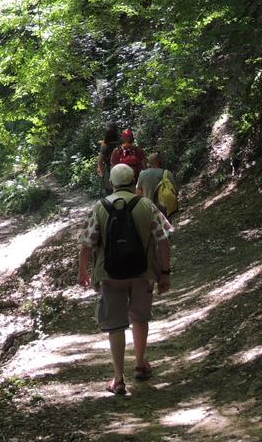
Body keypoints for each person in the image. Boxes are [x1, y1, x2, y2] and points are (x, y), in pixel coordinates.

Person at [78, 163, 173, 395]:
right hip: (142, 273)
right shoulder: (147, 205)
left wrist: (83, 272)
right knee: (140, 318)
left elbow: (87, 244)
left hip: (109, 275)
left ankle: (118, 379)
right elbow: (163, 240)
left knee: (116, 325)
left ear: (112, 183)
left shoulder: (99, 207)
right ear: (133, 182)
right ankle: (140, 364)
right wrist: (164, 272)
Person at [137, 152, 178, 216]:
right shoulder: (167, 173)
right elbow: (175, 191)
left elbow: (138, 193)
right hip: (164, 207)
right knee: (166, 225)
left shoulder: (142, 174)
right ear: (160, 162)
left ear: (149, 162)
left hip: (148, 208)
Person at [96, 123, 120, 197]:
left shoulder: (105, 146)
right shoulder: (121, 143)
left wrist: (102, 173)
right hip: (123, 169)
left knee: (109, 193)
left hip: (110, 170)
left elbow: (100, 161)